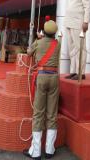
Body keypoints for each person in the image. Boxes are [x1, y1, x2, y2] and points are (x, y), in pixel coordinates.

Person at [23, 17, 60, 160]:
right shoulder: (58, 44)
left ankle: (36, 151)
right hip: (54, 78)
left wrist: (37, 38)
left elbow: (28, 52)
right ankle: (49, 150)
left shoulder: (38, 42)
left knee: (38, 113)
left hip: (42, 76)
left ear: (43, 31)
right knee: (52, 114)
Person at [64, 0, 90, 80]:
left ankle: (81, 72)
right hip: (69, 23)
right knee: (72, 49)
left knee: (80, 48)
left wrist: (86, 22)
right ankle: (73, 71)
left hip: (78, 23)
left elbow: (88, 8)